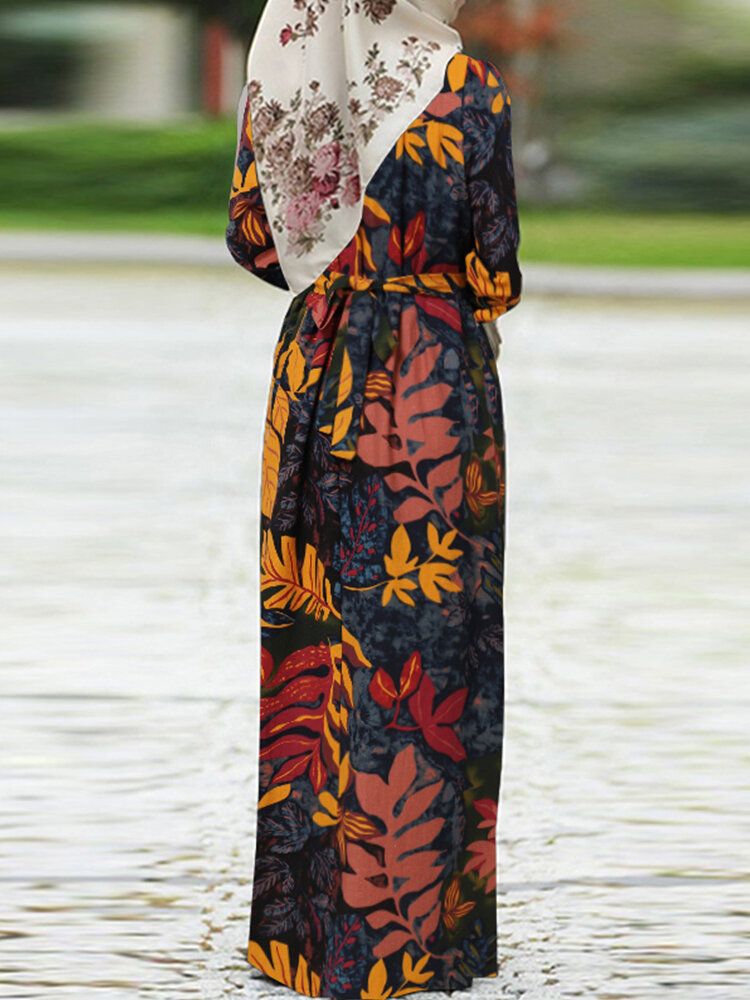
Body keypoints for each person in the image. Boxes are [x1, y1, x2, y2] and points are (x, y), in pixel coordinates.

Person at [225, 0, 522, 995]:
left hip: (318, 378)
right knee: (432, 653)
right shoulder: (467, 88)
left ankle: (306, 940)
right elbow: (493, 263)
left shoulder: (290, 70)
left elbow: (256, 244)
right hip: (433, 388)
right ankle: (422, 943)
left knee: (320, 637)